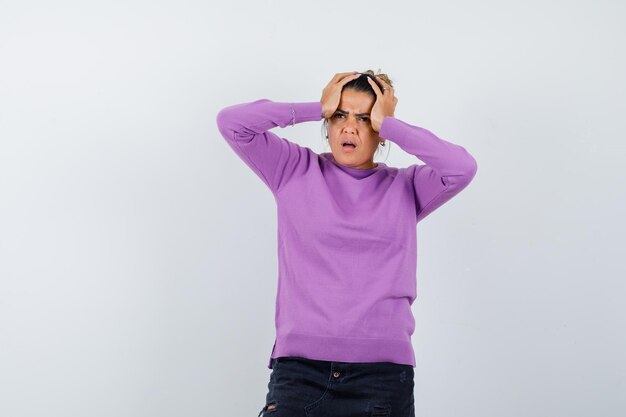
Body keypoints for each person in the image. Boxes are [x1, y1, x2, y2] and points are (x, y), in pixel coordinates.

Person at [216, 70, 478, 417]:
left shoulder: (407, 187)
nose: (349, 127)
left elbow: (461, 167)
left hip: (381, 377)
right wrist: (316, 106)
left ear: (380, 130)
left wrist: (393, 125)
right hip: (299, 373)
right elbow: (232, 123)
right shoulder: (293, 169)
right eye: (340, 115)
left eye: (365, 119)